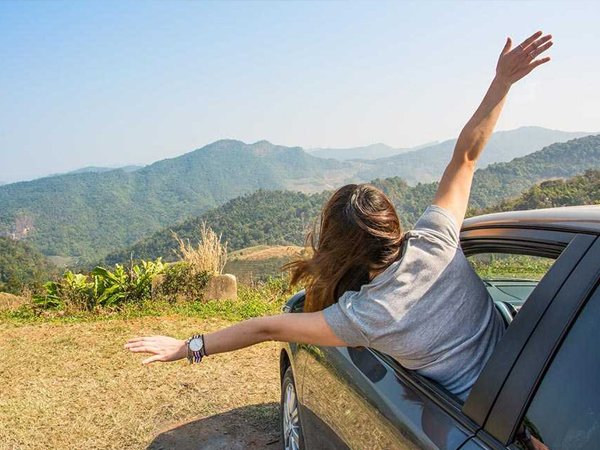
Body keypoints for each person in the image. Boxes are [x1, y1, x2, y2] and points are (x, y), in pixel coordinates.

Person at [125, 31, 553, 399]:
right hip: (535, 384)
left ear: (339, 248)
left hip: (484, 412)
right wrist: (502, 81)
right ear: (392, 224)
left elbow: (264, 328)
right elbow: (466, 158)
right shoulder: (435, 242)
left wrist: (187, 347)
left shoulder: (365, 316)